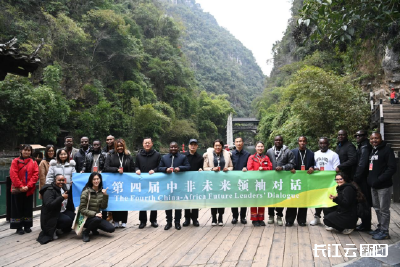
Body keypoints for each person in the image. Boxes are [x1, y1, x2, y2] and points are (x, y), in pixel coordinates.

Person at [367, 132, 397, 240]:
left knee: (384, 209)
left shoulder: (387, 150)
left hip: (384, 186)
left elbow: (392, 168)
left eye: (376, 138)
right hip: (374, 186)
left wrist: (379, 180)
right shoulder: (373, 150)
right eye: (372, 138)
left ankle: (385, 232)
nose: (374, 140)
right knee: (377, 208)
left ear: (381, 138)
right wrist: (370, 180)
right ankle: (380, 227)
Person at [158, 141, 191, 230]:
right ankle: (168, 222)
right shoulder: (164, 157)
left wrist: (179, 168)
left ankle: (177, 222)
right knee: (168, 204)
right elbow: (159, 168)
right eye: (171, 147)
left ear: (178, 148)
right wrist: (166, 169)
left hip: (179, 184)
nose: (173, 149)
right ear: (169, 148)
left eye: (175, 147)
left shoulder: (183, 157)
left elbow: (188, 166)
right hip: (167, 185)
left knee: (177, 204)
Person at [104, 138, 135, 228]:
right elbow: (106, 167)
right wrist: (116, 170)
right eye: (118, 146)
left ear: (124, 146)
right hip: (114, 183)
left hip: (125, 182)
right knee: (115, 200)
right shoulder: (110, 155)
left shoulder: (128, 156)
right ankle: (116, 220)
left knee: (124, 201)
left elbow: (132, 168)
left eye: (121, 146)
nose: (120, 148)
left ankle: (124, 221)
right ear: (115, 147)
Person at [9, 144, 39, 234]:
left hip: (28, 189)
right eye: (25, 150)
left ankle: (27, 225)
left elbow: (35, 175)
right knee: (17, 208)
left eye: (29, 150)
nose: (27, 152)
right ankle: (18, 227)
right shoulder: (15, 161)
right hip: (18, 189)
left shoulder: (33, 162)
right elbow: (13, 175)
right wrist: (21, 186)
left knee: (27, 207)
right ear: (21, 151)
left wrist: (28, 186)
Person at [37, 174, 75, 244]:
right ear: (55, 180)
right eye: (59, 180)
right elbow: (49, 205)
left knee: (73, 216)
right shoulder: (49, 190)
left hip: (61, 211)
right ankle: (53, 229)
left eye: (63, 180)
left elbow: (67, 194)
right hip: (51, 214)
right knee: (67, 220)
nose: (61, 182)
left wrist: (71, 187)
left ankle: (63, 229)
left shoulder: (63, 187)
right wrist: (62, 197)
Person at [310, 137, 340, 226]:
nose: (323, 145)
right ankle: (317, 217)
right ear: (318, 144)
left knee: (328, 200)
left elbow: (337, 168)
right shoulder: (315, 154)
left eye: (325, 143)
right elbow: (312, 166)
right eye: (321, 143)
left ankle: (328, 219)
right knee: (318, 199)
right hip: (318, 181)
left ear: (328, 144)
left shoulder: (333, 155)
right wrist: (314, 168)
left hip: (329, 181)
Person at [203, 139, 234, 226]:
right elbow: (205, 168)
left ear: (222, 146)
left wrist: (227, 169)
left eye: (219, 145)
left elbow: (231, 166)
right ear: (213, 146)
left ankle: (220, 217)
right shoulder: (208, 155)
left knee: (221, 199)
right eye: (216, 145)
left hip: (223, 181)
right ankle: (213, 218)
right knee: (213, 200)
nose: (217, 147)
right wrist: (212, 169)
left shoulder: (227, 154)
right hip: (212, 181)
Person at [266, 135, 295, 226]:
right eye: (276, 140)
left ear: (282, 141)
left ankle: (279, 215)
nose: (278, 141)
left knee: (280, 196)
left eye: (280, 140)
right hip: (271, 179)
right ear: (274, 141)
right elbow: (265, 162)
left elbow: (292, 164)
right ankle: (271, 215)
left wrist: (283, 167)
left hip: (283, 179)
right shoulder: (269, 151)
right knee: (271, 196)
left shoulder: (288, 152)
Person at [286, 136, 315, 227]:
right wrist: (291, 168)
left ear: (306, 142)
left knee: (304, 199)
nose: (302, 143)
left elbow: (314, 164)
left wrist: (312, 168)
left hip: (305, 180)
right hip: (294, 180)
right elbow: (288, 163)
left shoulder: (311, 153)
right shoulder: (293, 152)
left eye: (304, 141)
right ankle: (289, 220)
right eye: (300, 141)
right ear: (298, 142)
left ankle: (302, 220)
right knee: (292, 199)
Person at [79, 172, 115, 242]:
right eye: (94, 179)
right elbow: (82, 209)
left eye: (97, 179)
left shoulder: (101, 191)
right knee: (97, 219)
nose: (96, 181)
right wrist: (94, 214)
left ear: (100, 180)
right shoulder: (86, 192)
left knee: (111, 229)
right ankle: (86, 232)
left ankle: (93, 228)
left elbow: (103, 207)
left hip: (97, 217)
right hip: (86, 218)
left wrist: (105, 196)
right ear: (91, 181)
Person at [135, 137, 161, 229]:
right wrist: (137, 170)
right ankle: (142, 221)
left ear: (152, 144)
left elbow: (160, 167)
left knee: (153, 201)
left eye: (148, 143)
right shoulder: (138, 155)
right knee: (142, 201)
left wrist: (154, 170)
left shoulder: (157, 154)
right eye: (145, 143)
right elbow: (136, 166)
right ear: (143, 144)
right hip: (142, 182)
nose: (147, 144)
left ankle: (153, 220)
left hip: (153, 182)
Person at [247, 141, 272, 226]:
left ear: (263, 148)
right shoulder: (251, 157)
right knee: (254, 200)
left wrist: (264, 169)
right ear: (255, 148)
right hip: (253, 182)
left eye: (261, 146)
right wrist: (257, 171)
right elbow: (249, 169)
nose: (260, 148)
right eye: (258, 146)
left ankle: (261, 219)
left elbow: (270, 167)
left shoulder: (266, 158)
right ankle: (254, 219)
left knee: (262, 199)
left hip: (263, 182)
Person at [353, 130, 373, 232]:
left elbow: (362, 164)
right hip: (362, 178)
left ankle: (366, 225)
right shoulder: (361, 146)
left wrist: (356, 178)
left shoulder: (365, 147)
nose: (358, 137)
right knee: (362, 201)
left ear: (365, 136)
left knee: (365, 201)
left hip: (363, 179)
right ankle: (364, 224)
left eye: (360, 135)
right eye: (356, 135)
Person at [183, 139, 204, 227]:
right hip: (185, 182)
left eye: (195, 144)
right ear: (188, 146)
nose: (193, 146)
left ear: (197, 146)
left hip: (196, 181)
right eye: (191, 144)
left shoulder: (200, 157)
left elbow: (202, 168)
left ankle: (195, 219)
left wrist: (201, 169)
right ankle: (187, 219)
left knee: (195, 200)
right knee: (187, 200)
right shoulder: (183, 156)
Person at [230, 137, 250, 224]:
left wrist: (246, 168)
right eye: (237, 142)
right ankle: (234, 217)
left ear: (243, 143)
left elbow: (249, 165)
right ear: (234, 143)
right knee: (234, 198)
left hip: (244, 179)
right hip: (233, 179)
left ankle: (243, 217)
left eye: (240, 141)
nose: (238, 143)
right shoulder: (231, 154)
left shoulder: (247, 154)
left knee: (243, 198)